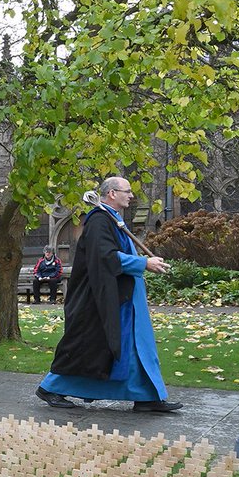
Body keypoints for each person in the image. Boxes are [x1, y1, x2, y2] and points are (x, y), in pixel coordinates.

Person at [37, 177, 182, 413]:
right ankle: (51, 387)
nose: (131, 196)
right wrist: (143, 263)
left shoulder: (112, 220)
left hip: (124, 297)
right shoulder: (98, 222)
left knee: (134, 347)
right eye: (127, 191)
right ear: (112, 193)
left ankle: (146, 396)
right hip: (100, 300)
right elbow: (105, 257)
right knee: (92, 348)